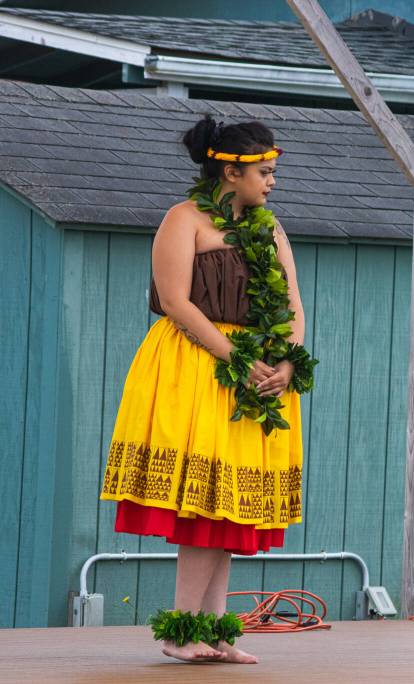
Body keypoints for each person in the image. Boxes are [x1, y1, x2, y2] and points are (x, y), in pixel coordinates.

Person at [99, 115, 315, 663]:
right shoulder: (184, 219)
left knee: (232, 506)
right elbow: (175, 302)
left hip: (258, 376)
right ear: (230, 170)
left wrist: (286, 361)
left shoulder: (270, 228)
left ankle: (214, 630)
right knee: (206, 504)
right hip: (197, 365)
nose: (271, 182)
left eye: (272, 171)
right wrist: (238, 359)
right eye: (263, 172)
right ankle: (179, 631)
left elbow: (292, 306)